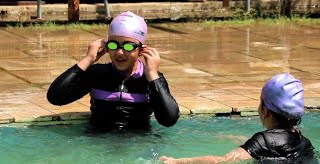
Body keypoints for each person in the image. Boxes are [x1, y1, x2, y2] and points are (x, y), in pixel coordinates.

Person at [47, 11, 180, 131]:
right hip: (98, 144)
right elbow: (55, 97)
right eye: (113, 45)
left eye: (128, 46)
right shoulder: (97, 74)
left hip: (137, 144)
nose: (120, 53)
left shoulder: (150, 80)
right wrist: (87, 60)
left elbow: (169, 120)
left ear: (141, 50)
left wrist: (152, 75)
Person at [160, 73, 316, 163]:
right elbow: (275, 148)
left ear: (265, 110)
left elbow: (222, 161)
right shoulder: (303, 141)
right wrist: (241, 140)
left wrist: (178, 161)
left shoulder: (263, 140)